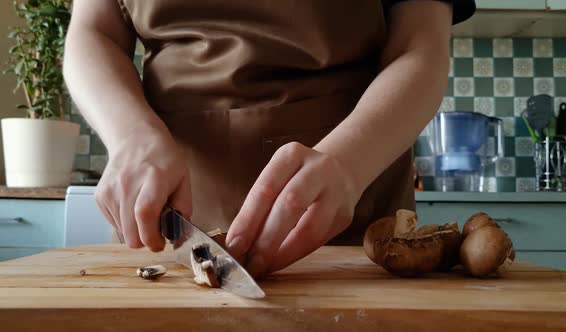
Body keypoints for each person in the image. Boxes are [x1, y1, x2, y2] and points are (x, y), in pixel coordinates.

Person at [63, 0, 475, 278]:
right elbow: (93, 31)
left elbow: (420, 46)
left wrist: (349, 163)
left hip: (353, 203)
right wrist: (131, 135)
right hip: (172, 217)